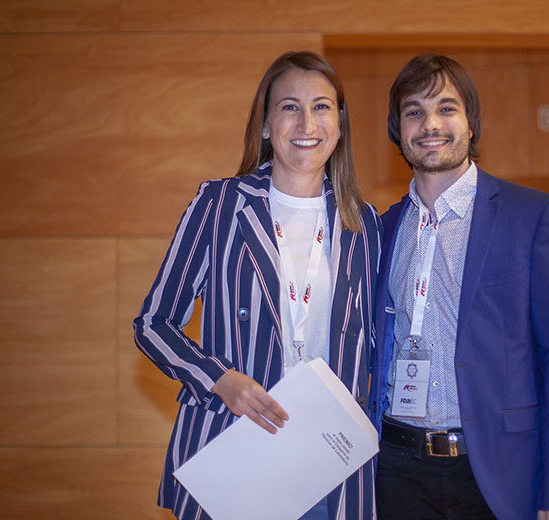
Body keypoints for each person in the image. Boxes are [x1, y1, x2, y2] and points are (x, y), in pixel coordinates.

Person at [134, 51, 381, 520]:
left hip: (330, 468)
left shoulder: (363, 223)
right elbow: (153, 324)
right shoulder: (219, 205)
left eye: (321, 107)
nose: (307, 122)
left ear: (340, 124)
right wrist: (220, 380)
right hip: (235, 450)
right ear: (266, 125)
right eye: (289, 106)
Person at [368, 53, 549, 520]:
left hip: (496, 471)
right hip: (395, 469)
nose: (431, 124)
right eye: (414, 111)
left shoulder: (531, 216)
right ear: (398, 129)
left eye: (446, 108)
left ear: (471, 123)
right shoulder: (381, 230)